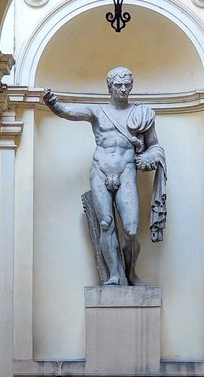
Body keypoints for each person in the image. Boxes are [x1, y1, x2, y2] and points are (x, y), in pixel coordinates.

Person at [43, 67, 166, 285]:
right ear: (109, 87)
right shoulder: (98, 112)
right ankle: (114, 274)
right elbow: (69, 112)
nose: (123, 89)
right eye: (118, 85)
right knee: (106, 223)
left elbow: (154, 146)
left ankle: (130, 272)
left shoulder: (141, 114)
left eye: (127, 85)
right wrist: (54, 104)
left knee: (131, 229)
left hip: (126, 171)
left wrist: (149, 158)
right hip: (100, 170)